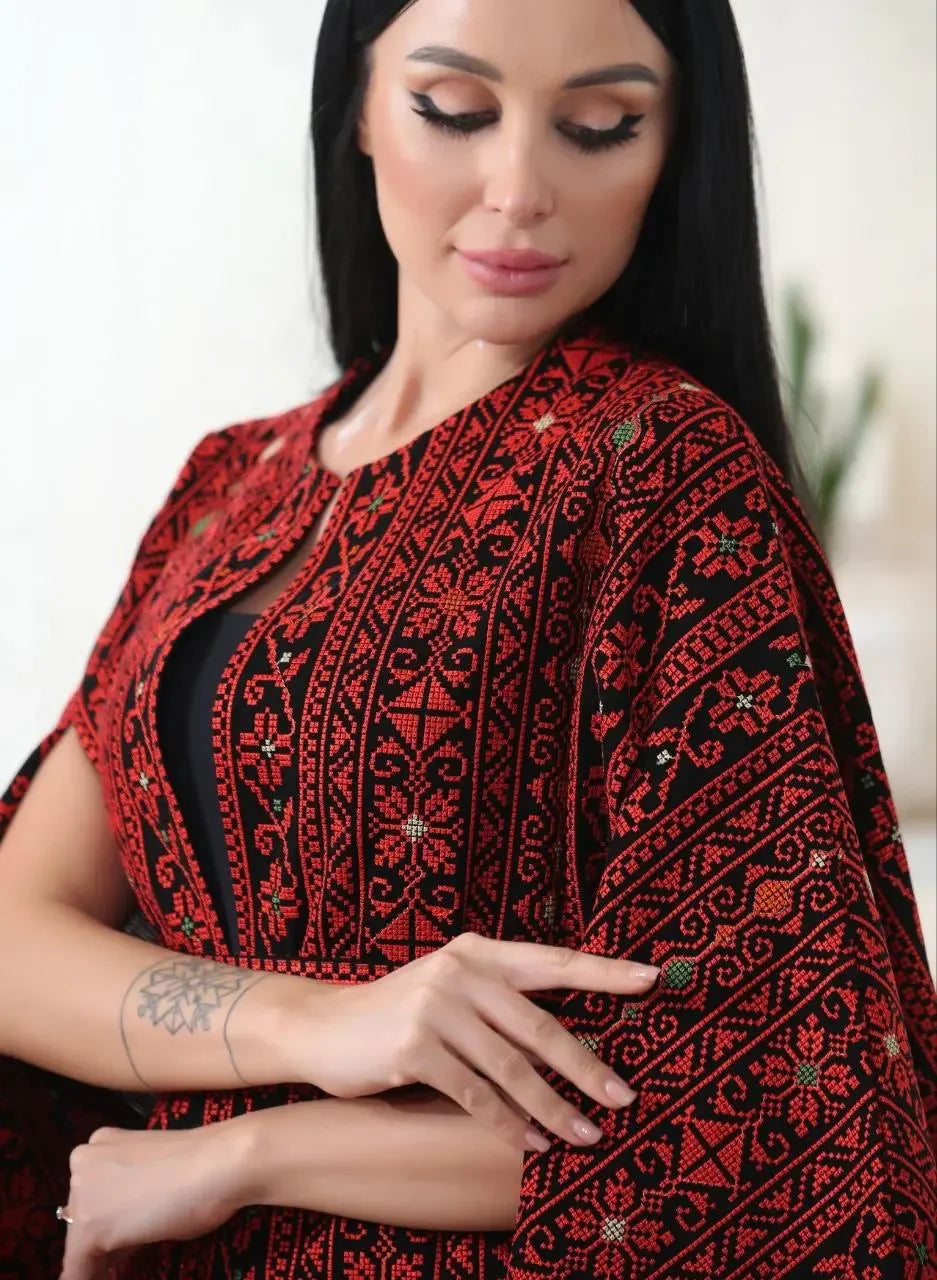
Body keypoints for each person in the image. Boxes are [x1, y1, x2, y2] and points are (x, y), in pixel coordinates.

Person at [0, 0, 934, 1276]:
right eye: (454, 109)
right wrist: (315, 1025)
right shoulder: (230, 483)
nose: (519, 188)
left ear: (674, 153)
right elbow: (15, 932)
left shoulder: (658, 467)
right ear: (361, 113)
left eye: (600, 126)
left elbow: (764, 1094)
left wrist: (246, 1152)